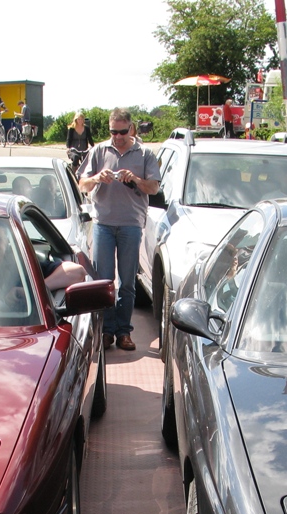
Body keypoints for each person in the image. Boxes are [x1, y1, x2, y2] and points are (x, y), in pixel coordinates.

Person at [78, 108, 161, 351]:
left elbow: (154, 188)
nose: (117, 137)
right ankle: (107, 330)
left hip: (131, 224)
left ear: (131, 129)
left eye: (122, 132)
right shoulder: (99, 151)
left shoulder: (144, 153)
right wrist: (97, 178)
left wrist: (134, 179)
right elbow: (82, 184)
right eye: (113, 132)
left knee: (127, 282)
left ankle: (124, 331)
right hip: (103, 223)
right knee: (104, 281)